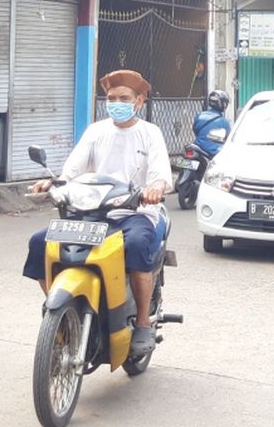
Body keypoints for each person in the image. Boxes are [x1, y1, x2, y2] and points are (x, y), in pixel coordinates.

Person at [23, 69, 172, 355]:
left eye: (124, 98)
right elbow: (71, 171)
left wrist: (155, 188)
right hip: (90, 214)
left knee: (138, 245)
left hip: (134, 213)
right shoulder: (96, 131)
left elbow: (160, 176)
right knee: (39, 243)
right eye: (111, 98)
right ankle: (59, 308)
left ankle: (141, 321)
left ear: (138, 101)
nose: (116, 102)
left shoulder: (150, 133)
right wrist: (53, 182)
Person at [192, 89, 231, 155]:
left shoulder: (200, 116)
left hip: (198, 148)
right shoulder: (224, 122)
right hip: (213, 152)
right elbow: (228, 139)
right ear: (223, 104)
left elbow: (195, 130)